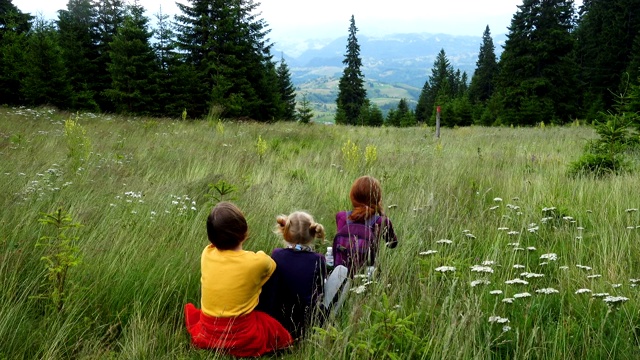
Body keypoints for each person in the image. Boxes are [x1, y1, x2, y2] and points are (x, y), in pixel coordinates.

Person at [184, 201, 293, 357]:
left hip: (208, 331)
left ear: (211, 237)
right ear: (245, 232)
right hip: (241, 334)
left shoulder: (206, 253)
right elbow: (271, 265)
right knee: (273, 328)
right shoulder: (256, 262)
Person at [259, 211, 349, 340]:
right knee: (342, 271)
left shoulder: (277, 254)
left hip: (277, 320)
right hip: (306, 323)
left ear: (285, 232)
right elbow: (320, 289)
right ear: (312, 234)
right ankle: (327, 322)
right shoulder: (318, 259)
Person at [334, 175, 398, 276]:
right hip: (367, 274)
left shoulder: (341, 217)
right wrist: (382, 213)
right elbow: (392, 244)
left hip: (341, 273)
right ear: (377, 198)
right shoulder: (381, 221)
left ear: (353, 196)